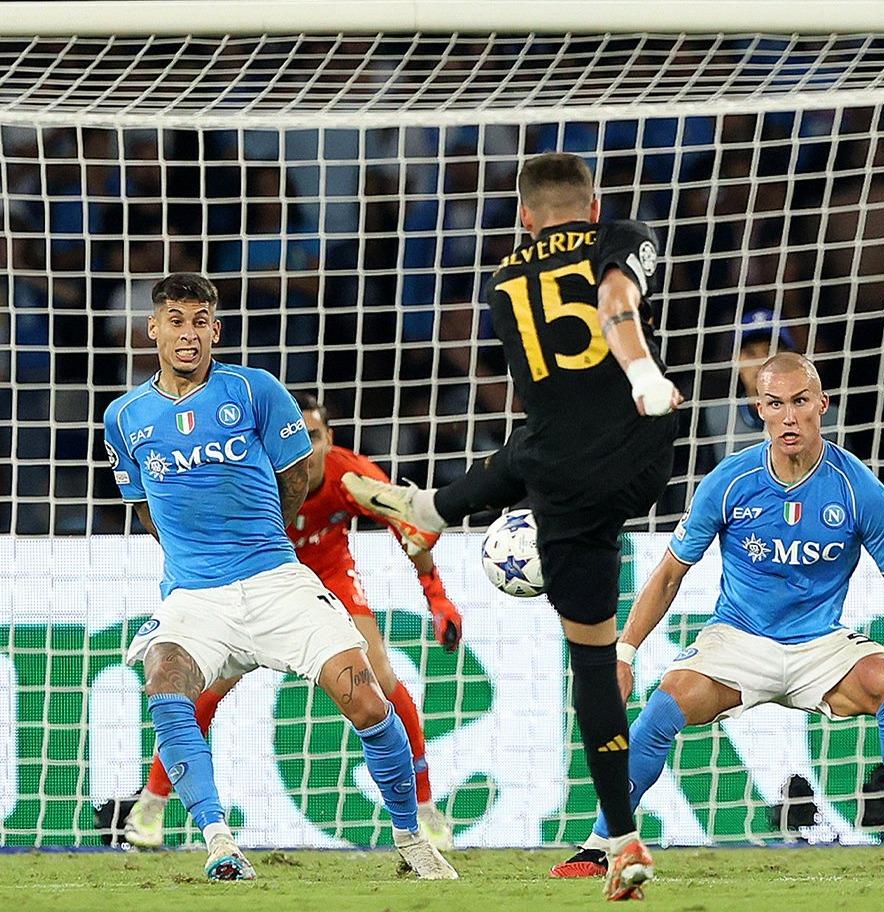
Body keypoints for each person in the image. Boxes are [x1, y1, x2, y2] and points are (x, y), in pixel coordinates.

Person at [344, 152, 682, 901]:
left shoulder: (500, 283)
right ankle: (431, 509)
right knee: (535, 447)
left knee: (592, 666)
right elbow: (618, 294)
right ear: (592, 207)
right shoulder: (618, 235)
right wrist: (642, 374)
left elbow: (593, 324)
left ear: (525, 217)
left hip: (561, 482)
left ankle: (622, 841)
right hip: (640, 453)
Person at [553, 352, 884, 878]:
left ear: (822, 404)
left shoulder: (855, 486)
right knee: (663, 705)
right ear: (760, 410)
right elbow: (667, 575)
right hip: (738, 641)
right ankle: (600, 843)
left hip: (820, 645)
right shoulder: (730, 481)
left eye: (801, 402)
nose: (790, 416)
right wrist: (624, 654)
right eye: (777, 404)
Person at [102, 273, 457, 882]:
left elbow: (299, 482)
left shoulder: (257, 390)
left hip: (280, 582)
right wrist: (196, 561)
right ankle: (215, 841)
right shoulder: (124, 417)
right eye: (176, 320)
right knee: (167, 685)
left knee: (370, 699)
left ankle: (412, 834)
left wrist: (435, 593)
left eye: (200, 321)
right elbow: (145, 506)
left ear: (216, 329)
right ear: (153, 327)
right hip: (197, 597)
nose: (188, 334)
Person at [702, 307, 838, 465]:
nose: (761, 362)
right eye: (751, 353)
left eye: (769, 351)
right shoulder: (717, 417)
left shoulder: (828, 419)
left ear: (789, 357)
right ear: (736, 360)